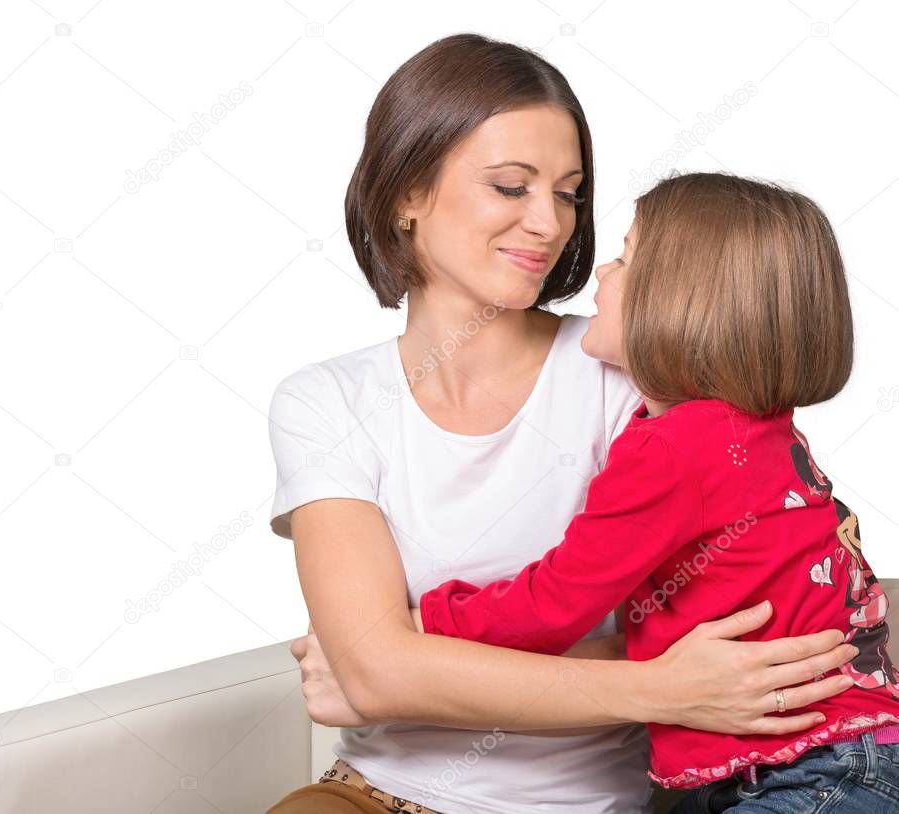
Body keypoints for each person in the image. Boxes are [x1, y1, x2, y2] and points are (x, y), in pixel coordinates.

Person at [266, 33, 857, 814]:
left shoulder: (634, 366)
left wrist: (415, 667)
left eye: (569, 192)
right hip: (377, 794)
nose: (549, 223)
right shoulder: (324, 401)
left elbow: (753, 599)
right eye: (511, 186)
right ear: (406, 194)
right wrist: (659, 683)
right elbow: (375, 673)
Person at [414, 172, 899, 812]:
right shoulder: (755, 430)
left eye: (624, 256)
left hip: (814, 770)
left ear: (682, 301)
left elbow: (557, 602)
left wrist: (429, 620)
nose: (599, 275)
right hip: (807, 760)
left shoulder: (672, 449)